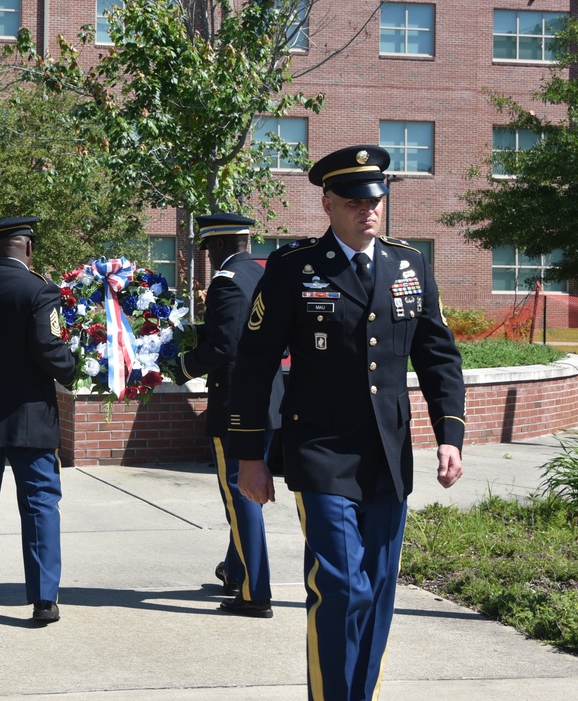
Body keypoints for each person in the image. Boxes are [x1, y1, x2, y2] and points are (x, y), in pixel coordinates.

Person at [228, 145, 466, 700]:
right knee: (340, 588)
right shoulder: (294, 269)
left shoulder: (409, 265)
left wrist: (449, 435)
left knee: (379, 591)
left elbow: (437, 356)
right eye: (355, 200)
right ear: (328, 203)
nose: (369, 210)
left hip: (388, 453)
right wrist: (249, 457)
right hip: (321, 451)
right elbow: (255, 364)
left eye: (376, 199)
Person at [0, 216, 76, 624]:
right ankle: (43, 598)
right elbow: (48, 347)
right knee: (40, 504)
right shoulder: (40, 290)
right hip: (30, 416)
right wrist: (77, 369)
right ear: (27, 248)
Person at [175, 212, 283, 618]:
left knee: (241, 497)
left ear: (218, 245)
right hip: (267, 398)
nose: (206, 256)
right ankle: (236, 568)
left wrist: (181, 365)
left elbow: (224, 346)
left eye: (207, 248)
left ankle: (255, 592)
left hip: (236, 406)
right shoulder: (260, 275)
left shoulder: (226, 282)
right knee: (245, 493)